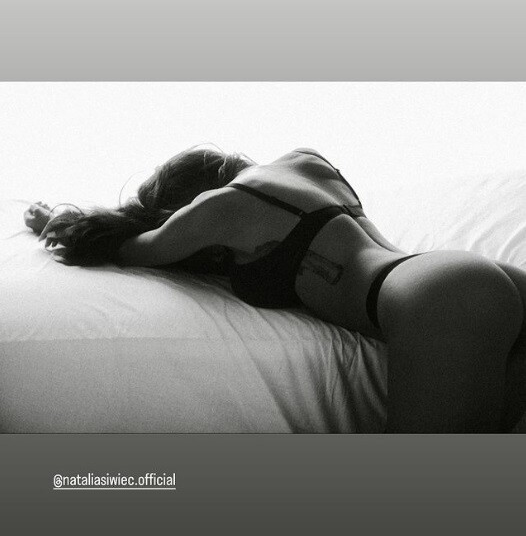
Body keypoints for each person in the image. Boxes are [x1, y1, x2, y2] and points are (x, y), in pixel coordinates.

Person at [23, 146, 526, 433]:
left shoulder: (218, 208)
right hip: (474, 277)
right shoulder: (309, 163)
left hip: (438, 299)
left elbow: (132, 248)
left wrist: (60, 223)